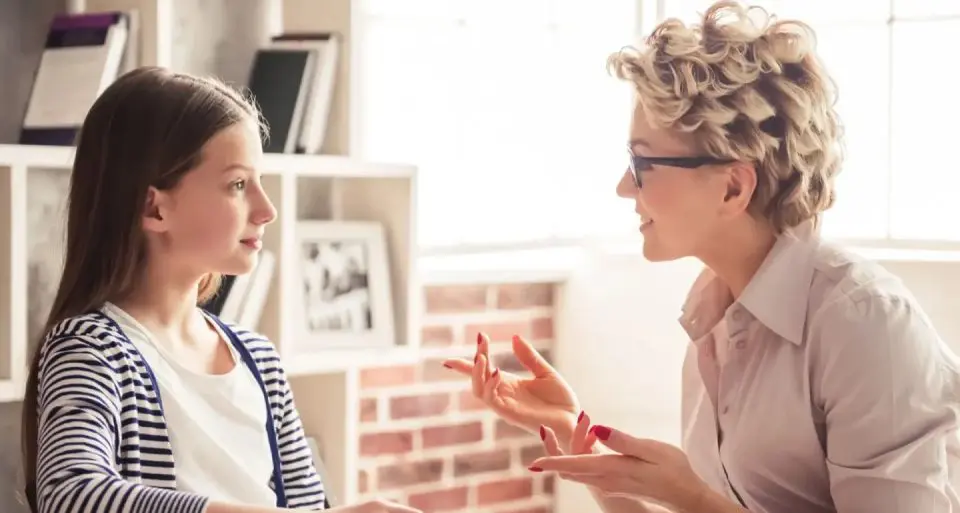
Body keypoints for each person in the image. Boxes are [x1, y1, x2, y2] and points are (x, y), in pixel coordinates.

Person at [443, 2, 960, 512]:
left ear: (733, 188)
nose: (625, 187)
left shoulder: (864, 323)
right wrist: (574, 433)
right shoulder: (715, 317)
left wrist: (689, 498)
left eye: (643, 163)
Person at [20, 67, 421, 513]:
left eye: (260, 182)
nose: (266, 210)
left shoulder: (259, 361)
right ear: (154, 207)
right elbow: (71, 495)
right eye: (237, 185)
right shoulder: (91, 350)